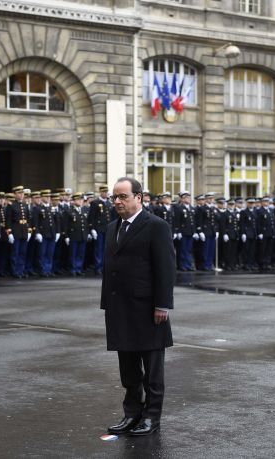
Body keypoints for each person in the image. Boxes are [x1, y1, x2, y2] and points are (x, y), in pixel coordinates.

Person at [102, 177, 175, 436]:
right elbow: (110, 268)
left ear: (138, 198)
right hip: (120, 308)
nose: (117, 202)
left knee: (152, 371)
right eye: (114, 197)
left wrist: (163, 305)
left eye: (122, 196)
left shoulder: (156, 226)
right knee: (129, 370)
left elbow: (165, 268)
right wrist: (106, 303)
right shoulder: (113, 227)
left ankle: (151, 417)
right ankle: (132, 413)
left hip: (148, 309)